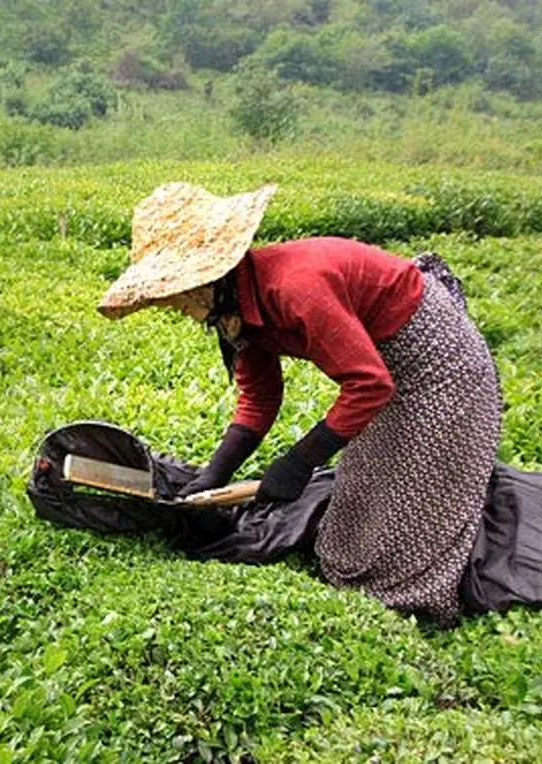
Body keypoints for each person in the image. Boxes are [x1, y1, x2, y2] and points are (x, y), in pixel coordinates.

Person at [97, 182, 502, 624]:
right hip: (383, 364)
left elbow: (368, 385)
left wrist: (299, 461)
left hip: (439, 363)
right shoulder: (235, 307)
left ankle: (421, 594)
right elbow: (260, 398)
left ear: (205, 281)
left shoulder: (295, 289)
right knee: (359, 500)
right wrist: (216, 472)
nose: (174, 307)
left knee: (403, 524)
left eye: (175, 296)